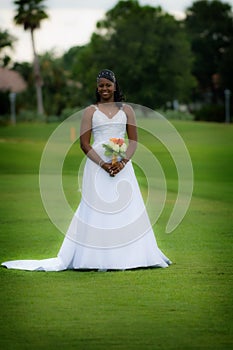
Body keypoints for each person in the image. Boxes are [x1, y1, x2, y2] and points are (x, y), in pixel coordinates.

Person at [1, 69, 171, 271]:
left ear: (115, 86)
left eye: (108, 85)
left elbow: (133, 140)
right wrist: (104, 164)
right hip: (97, 167)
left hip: (122, 167)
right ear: (97, 88)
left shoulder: (127, 110)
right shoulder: (91, 111)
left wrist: (122, 161)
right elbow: (84, 143)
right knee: (96, 208)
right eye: (101, 85)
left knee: (126, 207)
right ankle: (93, 258)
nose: (105, 89)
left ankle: (132, 256)